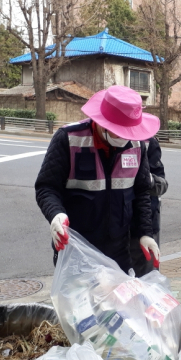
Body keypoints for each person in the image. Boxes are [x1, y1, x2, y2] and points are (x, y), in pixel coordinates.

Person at [35, 85, 161, 273]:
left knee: (117, 300)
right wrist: (56, 214)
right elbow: (46, 187)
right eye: (120, 132)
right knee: (78, 301)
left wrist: (144, 233)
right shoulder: (68, 139)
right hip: (77, 247)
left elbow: (141, 191)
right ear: (103, 123)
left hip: (119, 248)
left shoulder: (137, 144)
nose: (126, 139)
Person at [129, 136, 168, 276]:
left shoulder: (147, 142)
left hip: (143, 227)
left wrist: (145, 178)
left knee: (145, 279)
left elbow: (162, 185)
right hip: (110, 229)